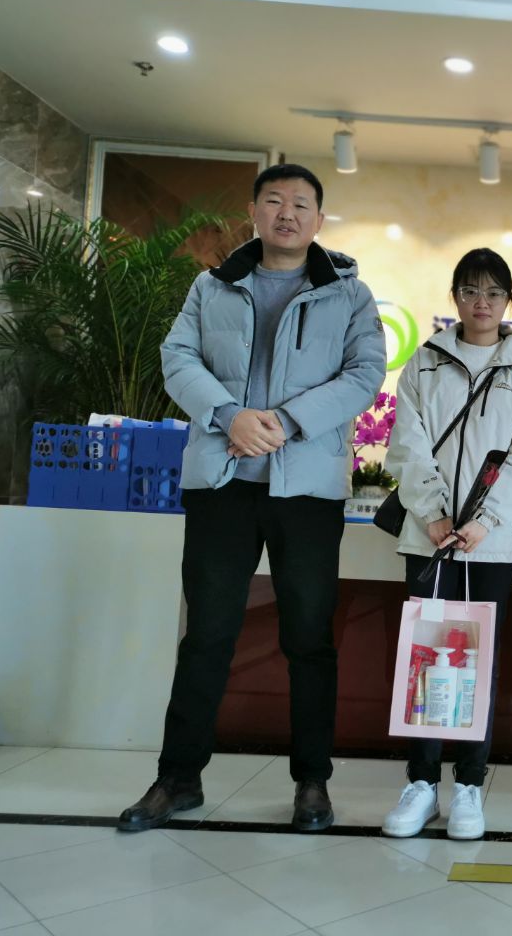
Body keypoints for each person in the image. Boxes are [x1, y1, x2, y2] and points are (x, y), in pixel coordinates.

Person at [119, 163, 387, 833]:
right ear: (254, 211)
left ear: (319, 219)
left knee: (309, 640)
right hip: (224, 484)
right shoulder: (212, 285)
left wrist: (288, 421)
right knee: (207, 636)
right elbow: (177, 357)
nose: (286, 213)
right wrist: (227, 415)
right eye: (274, 201)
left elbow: (365, 374)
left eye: (300, 203)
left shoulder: (349, 295)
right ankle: (177, 779)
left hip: (307, 493)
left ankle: (312, 783)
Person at [380, 248, 512, 840]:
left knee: (479, 659)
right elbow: (407, 443)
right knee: (424, 655)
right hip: (427, 537)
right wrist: (432, 514)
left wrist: (486, 520)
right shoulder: (424, 363)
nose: (482, 302)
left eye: (494, 292)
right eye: (471, 290)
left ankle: (470, 785)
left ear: (509, 301)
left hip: (491, 544)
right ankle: (422, 783)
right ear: (455, 297)